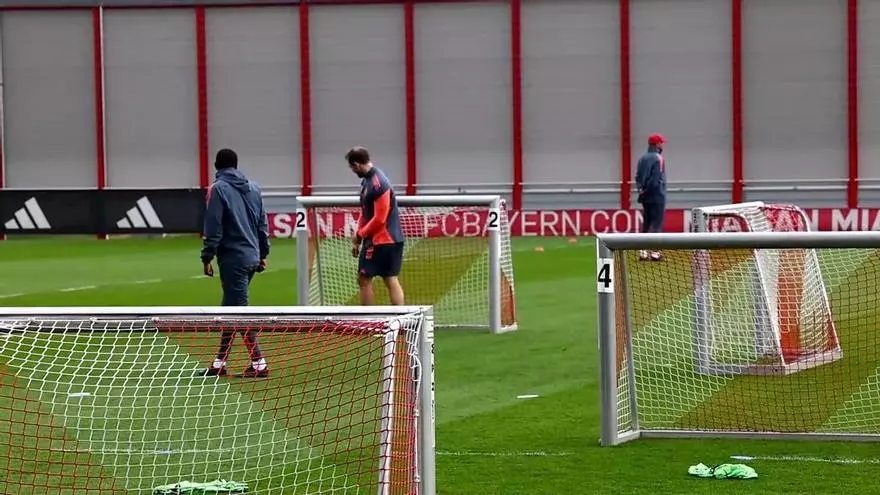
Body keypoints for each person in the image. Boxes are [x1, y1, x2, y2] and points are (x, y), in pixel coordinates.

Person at [198, 148, 270, 378]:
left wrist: (207, 256)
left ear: (216, 166)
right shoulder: (254, 188)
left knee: (238, 311)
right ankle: (219, 363)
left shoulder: (218, 189)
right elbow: (262, 224)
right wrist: (263, 253)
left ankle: (259, 364)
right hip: (251, 256)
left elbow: (213, 226)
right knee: (230, 309)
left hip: (233, 259)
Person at [346, 146, 406, 305]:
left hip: (381, 240)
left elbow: (380, 218)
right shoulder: (370, 181)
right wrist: (359, 236)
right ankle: (401, 324)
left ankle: (368, 321)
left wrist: (360, 234)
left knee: (364, 278)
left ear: (357, 165)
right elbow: (366, 212)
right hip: (388, 239)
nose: (353, 171)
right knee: (390, 279)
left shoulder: (378, 184)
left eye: (352, 167)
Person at [635, 133, 667, 261]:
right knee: (657, 224)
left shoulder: (642, 158)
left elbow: (637, 177)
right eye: (661, 143)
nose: (663, 145)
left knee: (646, 224)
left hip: (645, 196)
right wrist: (650, 191)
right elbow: (655, 179)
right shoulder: (658, 158)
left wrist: (642, 192)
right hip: (657, 195)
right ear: (657, 144)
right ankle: (655, 253)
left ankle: (643, 252)